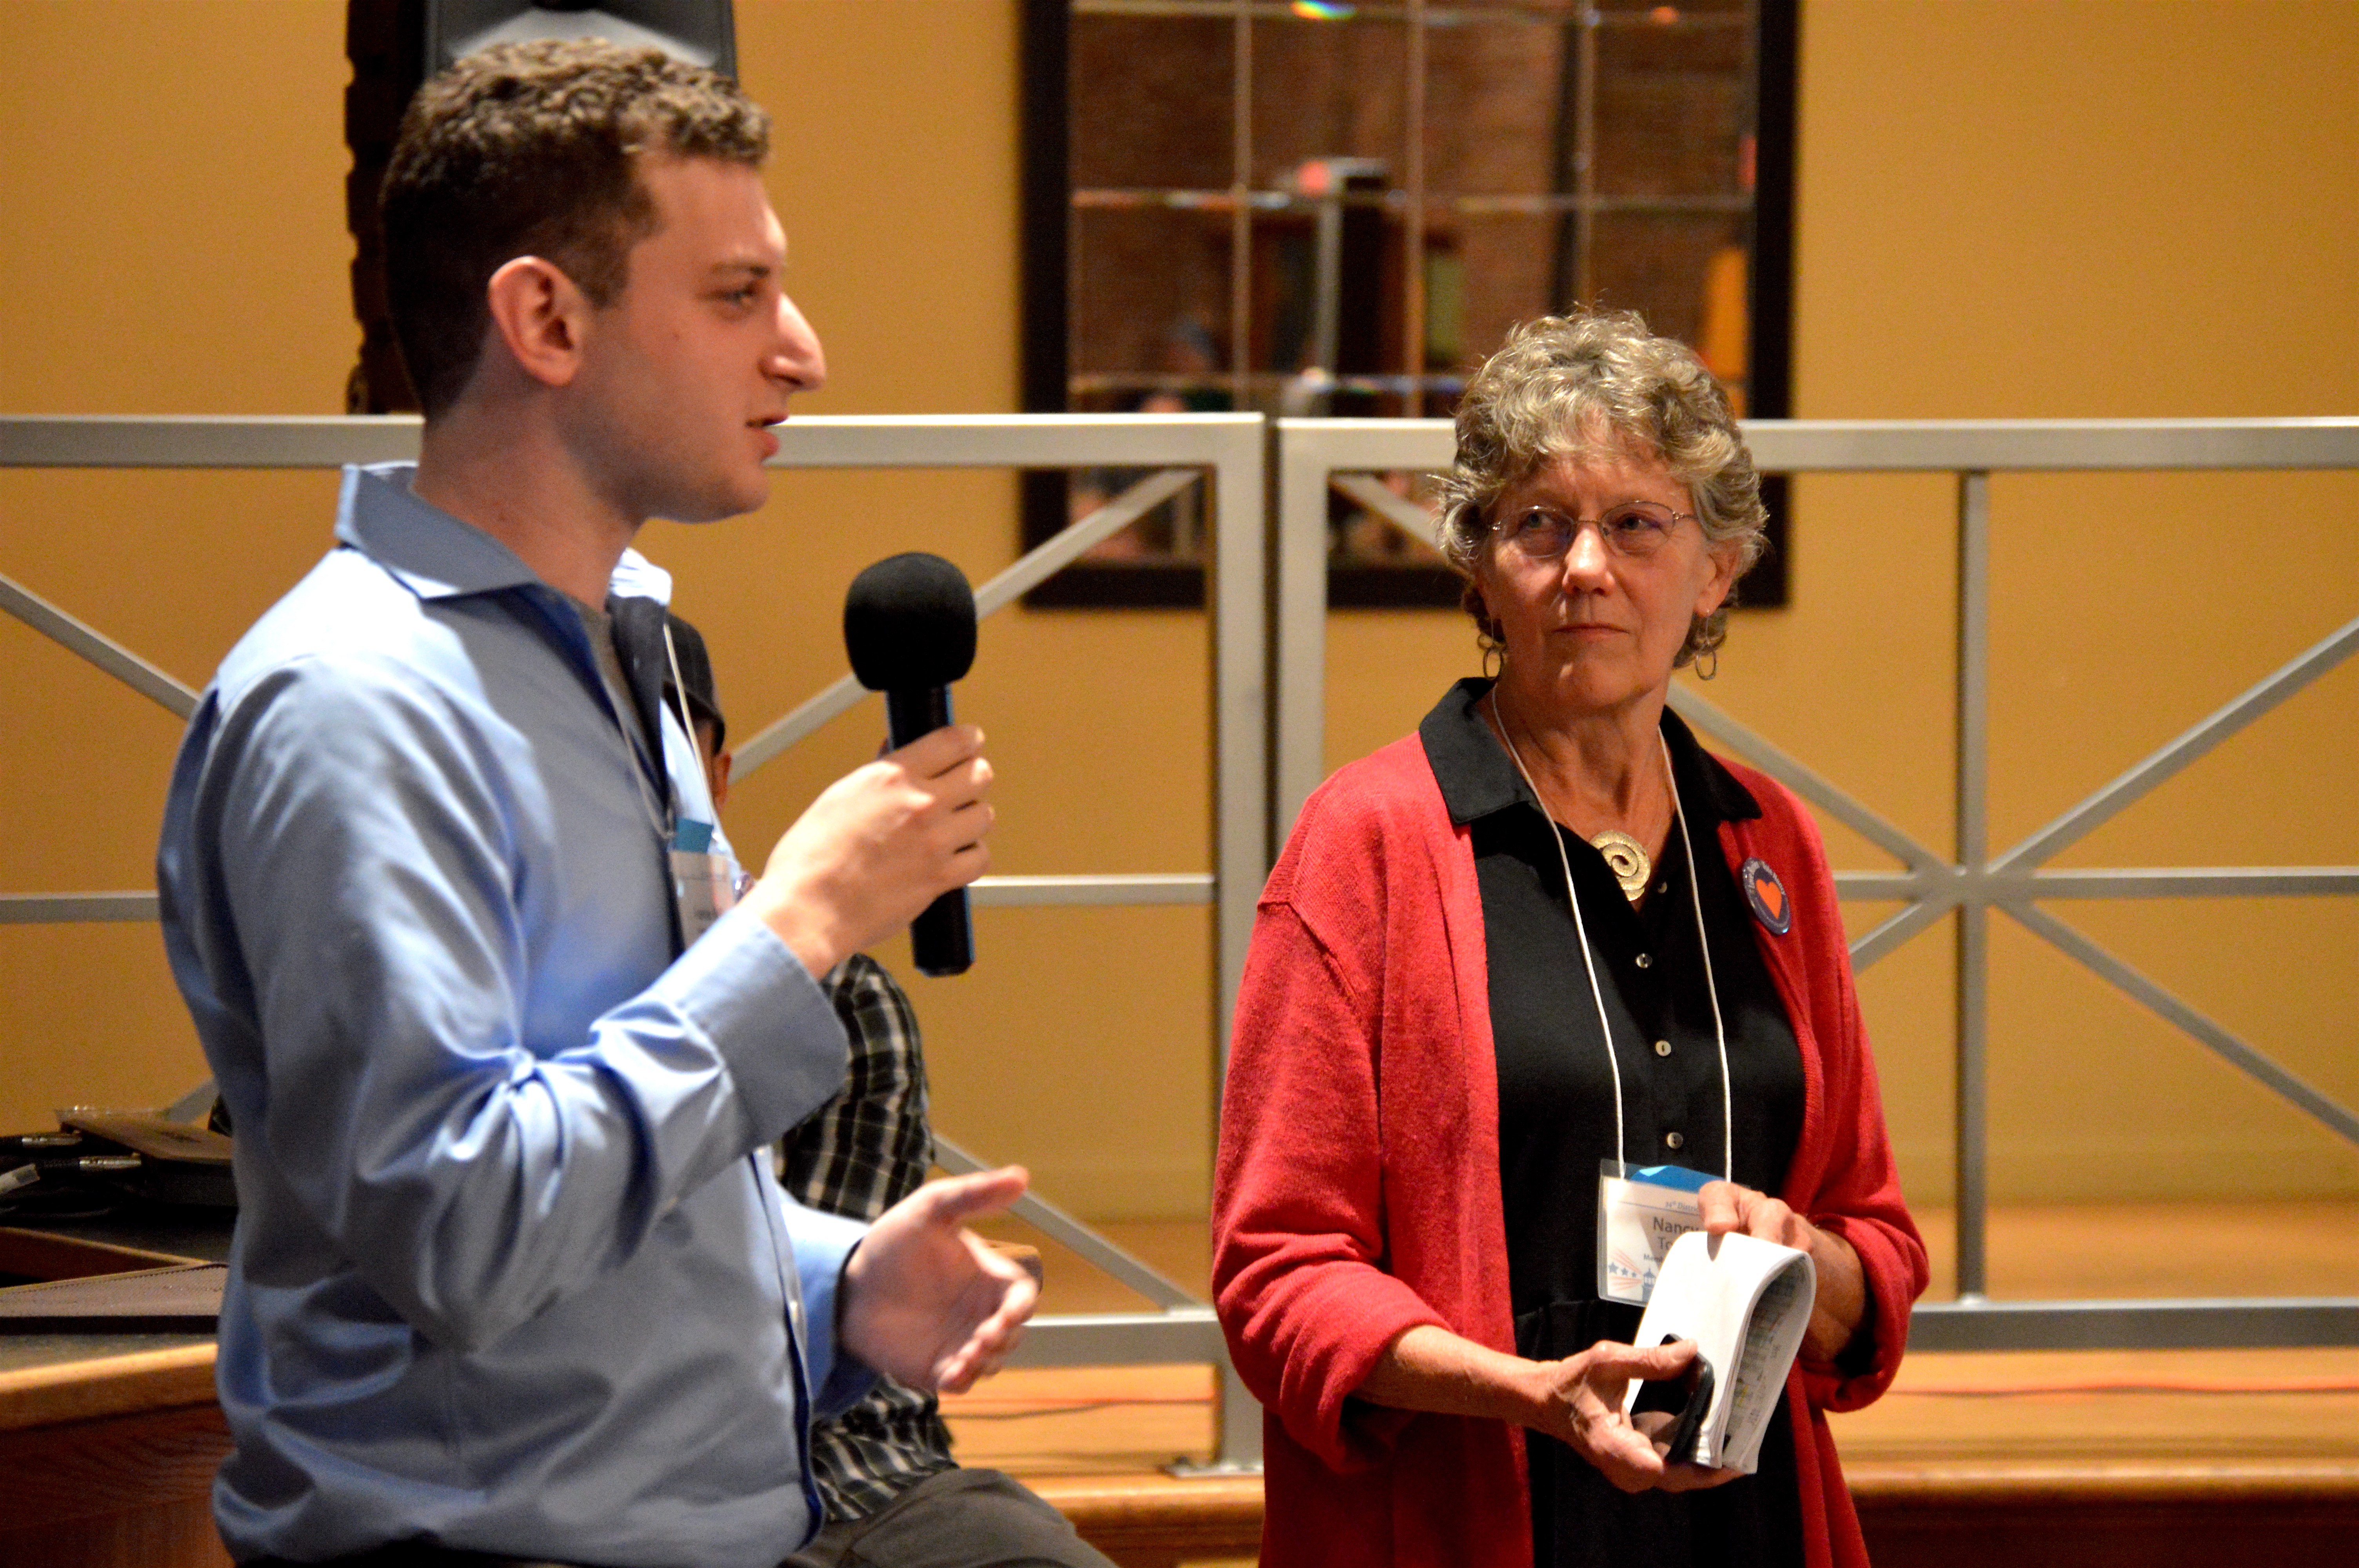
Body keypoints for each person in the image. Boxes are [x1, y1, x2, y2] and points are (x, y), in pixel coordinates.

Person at [157, 41, 1034, 1568]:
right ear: (545, 318)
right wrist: (799, 920)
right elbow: (465, 1228)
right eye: (736, 293)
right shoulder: (359, 704)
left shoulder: (615, 652)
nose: (803, 351)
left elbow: (620, 1154)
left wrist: (830, 1276)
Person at [1210, 311, 1927, 1568]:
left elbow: (1875, 1236)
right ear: (1481, 568)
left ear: (1716, 568)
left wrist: (1809, 1260)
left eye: (1638, 523)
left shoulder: (1772, 841)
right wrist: (1524, 1390)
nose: (1585, 565)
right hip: (1477, 1513)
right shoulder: (1366, 843)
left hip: (1742, 1519)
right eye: (1538, 523)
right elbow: (1276, 1277)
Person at [660, 615, 1113, 1567]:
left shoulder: (842, 996)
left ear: (720, 773)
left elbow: (817, 1348)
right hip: (621, 1486)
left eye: (672, 754)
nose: (645, 793)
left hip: (859, 1467)